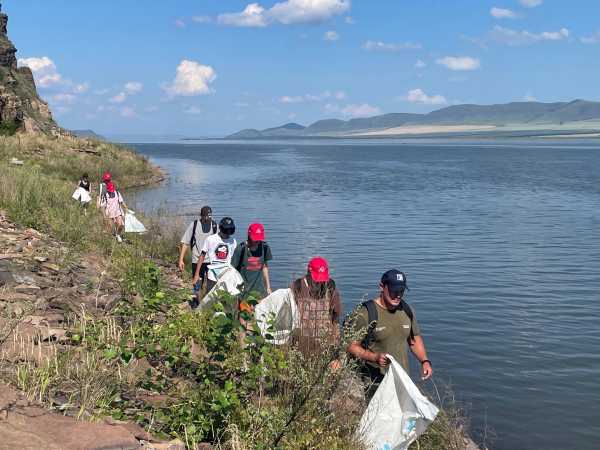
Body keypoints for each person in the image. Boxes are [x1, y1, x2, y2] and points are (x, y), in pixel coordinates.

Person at [346, 269, 433, 399]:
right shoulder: (365, 313)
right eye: (394, 290)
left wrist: (424, 361)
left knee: (405, 419)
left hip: (402, 381)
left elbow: (414, 339)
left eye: (401, 291)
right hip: (373, 384)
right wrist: (374, 357)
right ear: (382, 286)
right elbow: (350, 346)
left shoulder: (407, 311)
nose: (398, 295)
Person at [291, 257, 342, 360]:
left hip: (325, 346)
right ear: (308, 272)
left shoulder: (330, 286)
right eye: (317, 278)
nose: (319, 282)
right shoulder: (297, 287)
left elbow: (335, 318)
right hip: (301, 346)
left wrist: (336, 352)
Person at [178, 206, 217, 298]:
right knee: (197, 283)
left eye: (209, 216)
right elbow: (185, 242)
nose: (207, 218)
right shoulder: (194, 225)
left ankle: (208, 302)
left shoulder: (214, 225)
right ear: (201, 215)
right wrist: (181, 260)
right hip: (196, 259)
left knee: (211, 284)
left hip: (210, 260)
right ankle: (196, 301)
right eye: (205, 216)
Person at [192, 217, 237, 295]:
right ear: (220, 228)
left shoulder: (233, 242)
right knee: (211, 297)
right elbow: (202, 256)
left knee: (224, 298)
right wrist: (196, 274)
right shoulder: (211, 239)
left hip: (227, 276)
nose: (227, 233)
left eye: (230, 231)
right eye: (226, 231)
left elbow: (233, 260)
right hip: (213, 276)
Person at [231, 223, 273, 301]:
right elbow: (233, 270)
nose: (257, 241)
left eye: (259, 239)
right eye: (255, 239)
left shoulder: (265, 247)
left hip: (259, 292)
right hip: (243, 292)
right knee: (243, 313)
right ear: (249, 236)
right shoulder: (241, 249)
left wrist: (268, 287)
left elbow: (265, 267)